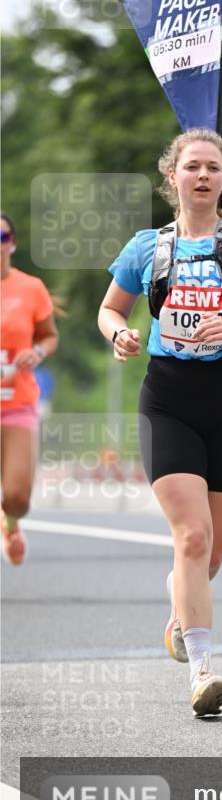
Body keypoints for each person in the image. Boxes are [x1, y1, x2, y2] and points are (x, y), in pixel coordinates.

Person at [98, 129, 222, 716]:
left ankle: (180, 612)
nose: (204, 176)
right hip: (168, 398)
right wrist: (122, 334)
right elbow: (110, 309)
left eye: (214, 167)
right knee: (190, 538)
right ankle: (203, 672)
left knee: (207, 557)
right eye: (193, 167)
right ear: (173, 178)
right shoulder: (146, 248)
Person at [1, 211, 59, 564]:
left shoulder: (30, 289)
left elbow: (50, 336)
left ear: (13, 244)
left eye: (2, 237)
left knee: (19, 496)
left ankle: (11, 523)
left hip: (18, 402)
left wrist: (36, 352)